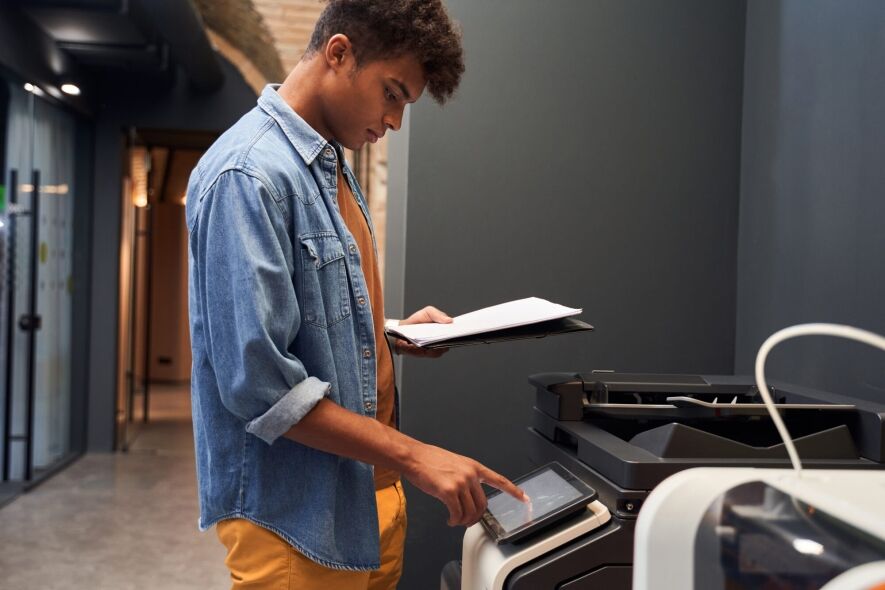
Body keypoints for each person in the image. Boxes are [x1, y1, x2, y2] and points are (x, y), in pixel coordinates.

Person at [185, 1, 526, 588]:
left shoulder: (329, 163)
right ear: (339, 53)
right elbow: (261, 387)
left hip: (365, 498)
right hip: (296, 522)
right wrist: (416, 455)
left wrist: (386, 333)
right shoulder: (247, 175)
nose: (394, 121)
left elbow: (299, 315)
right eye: (392, 94)